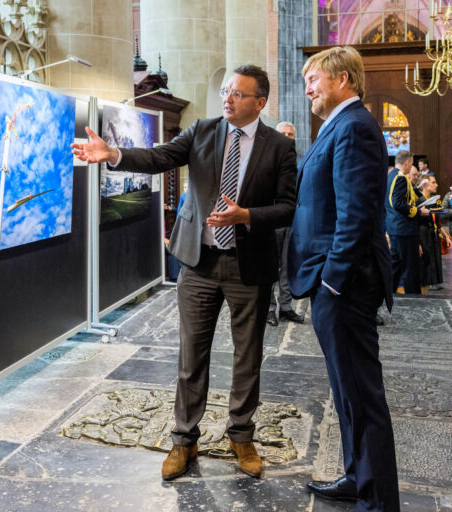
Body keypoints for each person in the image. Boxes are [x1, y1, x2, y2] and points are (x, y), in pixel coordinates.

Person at [72, 64, 297, 481]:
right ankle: (184, 440)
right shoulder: (202, 131)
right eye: (226, 91)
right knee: (191, 355)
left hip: (249, 265)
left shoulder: (279, 146)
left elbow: (287, 207)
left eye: (238, 94)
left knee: (247, 357)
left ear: (260, 102)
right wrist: (114, 155)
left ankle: (241, 435)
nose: (227, 99)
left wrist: (246, 216)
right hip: (199, 263)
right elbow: (159, 157)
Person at [288, 45, 399, 511]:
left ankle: (378, 502)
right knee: (346, 390)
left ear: (342, 79)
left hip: (345, 284)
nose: (308, 89)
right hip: (336, 281)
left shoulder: (353, 126)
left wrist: (332, 281)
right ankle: (359, 477)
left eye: (314, 79)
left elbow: (355, 215)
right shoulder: (340, 125)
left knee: (361, 395)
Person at [268, 121, 304, 326]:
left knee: (288, 266)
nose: (287, 137)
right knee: (271, 267)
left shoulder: (300, 160)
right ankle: (270, 309)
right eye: (283, 133)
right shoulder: (266, 157)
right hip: (271, 221)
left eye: (290, 134)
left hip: (291, 221)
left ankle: (286, 307)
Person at [386, 151, 428, 295]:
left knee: (395, 267)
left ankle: (388, 295)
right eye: (411, 163)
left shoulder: (390, 175)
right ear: (408, 162)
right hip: (404, 229)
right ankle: (414, 300)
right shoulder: (400, 177)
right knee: (410, 269)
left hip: (394, 227)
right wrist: (418, 212)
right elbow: (398, 203)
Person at [418, 174, 450, 290]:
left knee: (434, 260)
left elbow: (436, 221)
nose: (436, 185)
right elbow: (414, 224)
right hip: (423, 235)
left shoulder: (433, 201)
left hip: (433, 234)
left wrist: (445, 236)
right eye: (433, 182)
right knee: (426, 263)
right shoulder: (418, 201)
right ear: (425, 185)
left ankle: (432, 282)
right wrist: (417, 242)